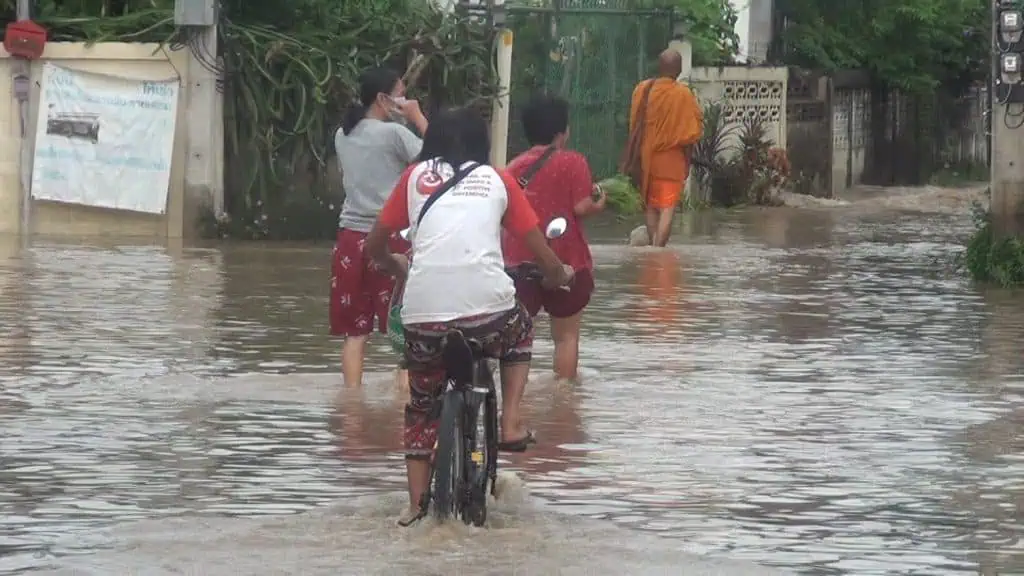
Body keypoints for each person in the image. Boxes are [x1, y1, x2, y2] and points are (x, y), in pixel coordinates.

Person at [364, 107, 573, 525]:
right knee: (521, 332)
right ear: (481, 144)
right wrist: (557, 273)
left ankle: (414, 506)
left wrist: (397, 266)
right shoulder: (497, 179)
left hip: (423, 316)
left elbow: (374, 246)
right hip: (488, 314)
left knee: (422, 403)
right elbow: (536, 244)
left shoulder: (413, 179)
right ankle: (511, 422)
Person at [331, 67, 428, 387]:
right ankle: (405, 409)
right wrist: (416, 116)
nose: (405, 100)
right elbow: (441, 154)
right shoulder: (394, 134)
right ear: (383, 98)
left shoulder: (342, 134)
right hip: (390, 239)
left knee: (355, 334)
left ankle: (352, 408)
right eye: (401, 94)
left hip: (349, 240)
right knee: (407, 332)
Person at [502, 94, 605, 381]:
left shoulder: (513, 167)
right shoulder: (573, 162)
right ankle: (564, 401)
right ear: (563, 132)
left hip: (519, 261)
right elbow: (581, 207)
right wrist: (600, 203)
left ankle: (513, 399)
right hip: (567, 261)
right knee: (566, 338)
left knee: (517, 338)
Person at [626, 49, 703, 247]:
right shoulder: (683, 94)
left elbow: (634, 126)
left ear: (659, 67)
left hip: (646, 159)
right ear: (678, 70)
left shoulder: (642, 89)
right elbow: (690, 136)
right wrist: (686, 163)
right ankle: (658, 252)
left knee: (651, 207)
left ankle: (653, 250)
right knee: (667, 209)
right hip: (672, 161)